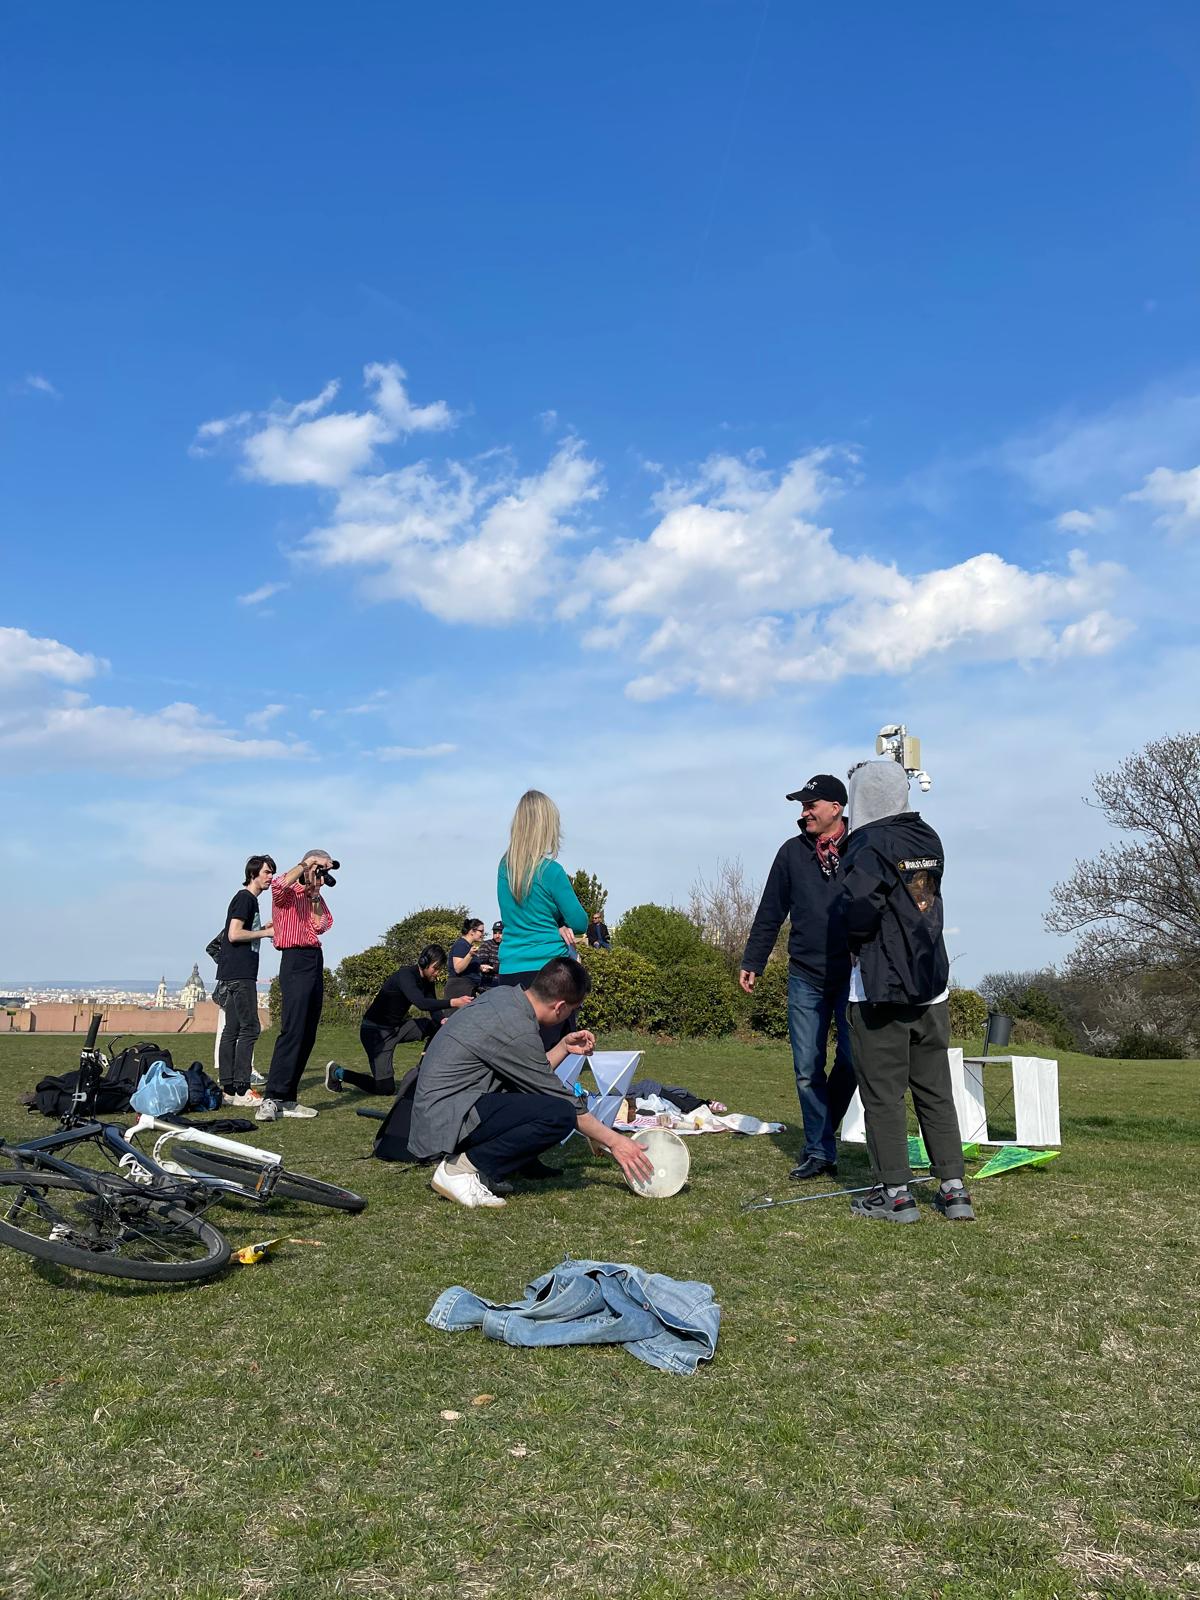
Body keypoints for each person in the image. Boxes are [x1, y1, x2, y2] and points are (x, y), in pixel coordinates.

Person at [838, 760, 974, 1223]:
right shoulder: (928, 838)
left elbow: (858, 905)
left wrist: (851, 941)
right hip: (931, 982)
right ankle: (954, 1189)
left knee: (883, 1093)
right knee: (935, 1090)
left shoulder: (867, 843)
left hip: (880, 987)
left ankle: (894, 1193)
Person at [408, 956, 655, 1208]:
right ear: (560, 1007)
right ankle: (459, 1170)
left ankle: (483, 1172)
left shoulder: (505, 998)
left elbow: (532, 1076)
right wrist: (616, 1141)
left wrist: (562, 1047)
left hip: (444, 1110)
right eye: (573, 1010)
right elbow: (564, 1102)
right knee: (559, 1115)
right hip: (445, 1120)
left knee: (544, 1103)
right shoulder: (516, 1029)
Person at [739, 774, 857, 1182]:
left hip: (853, 976)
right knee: (807, 1068)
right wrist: (754, 959)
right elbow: (771, 910)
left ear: (836, 808)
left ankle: (824, 1131)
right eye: (802, 806)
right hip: (805, 975)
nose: (804, 812)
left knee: (854, 1060)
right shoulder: (791, 853)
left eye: (811, 805)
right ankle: (820, 1151)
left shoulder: (862, 847)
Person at [495, 790, 589, 1049]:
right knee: (554, 1054)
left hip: (510, 970)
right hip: (549, 972)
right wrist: (561, 923)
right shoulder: (551, 871)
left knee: (518, 1052)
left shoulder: (505, 870)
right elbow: (580, 922)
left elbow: (521, 913)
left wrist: (555, 921)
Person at [325, 944, 472, 1096]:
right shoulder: (405, 976)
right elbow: (421, 1003)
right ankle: (338, 1072)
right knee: (385, 1088)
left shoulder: (428, 981)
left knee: (435, 1026)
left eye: (439, 969)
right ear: (423, 962)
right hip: (375, 1033)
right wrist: (453, 1002)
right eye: (435, 968)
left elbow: (432, 1005)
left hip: (397, 1028)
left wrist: (442, 1020)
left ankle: (424, 1074)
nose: (437, 973)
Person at [257, 849, 336, 1122]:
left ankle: (288, 1099)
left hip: (314, 958)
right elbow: (277, 885)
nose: (322, 876)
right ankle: (271, 1097)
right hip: (294, 958)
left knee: (307, 1031)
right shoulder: (287, 894)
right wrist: (306, 866)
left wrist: (314, 894)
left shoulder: (315, 897)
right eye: (320, 869)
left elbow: (321, 925)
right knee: (292, 1029)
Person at [213, 854, 276, 1105]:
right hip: (240, 974)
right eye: (267, 872)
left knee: (233, 1029)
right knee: (250, 1028)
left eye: (271, 872)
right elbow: (234, 934)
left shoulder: (248, 901)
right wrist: (266, 932)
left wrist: (262, 928)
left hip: (232, 973)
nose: (271, 877)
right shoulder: (245, 899)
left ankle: (228, 1088)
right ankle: (241, 1089)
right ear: (253, 874)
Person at [444, 918, 493, 1002]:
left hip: (468, 988)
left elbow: (467, 965)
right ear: (472, 931)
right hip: (459, 989)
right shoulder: (461, 945)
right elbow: (458, 968)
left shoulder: (468, 946)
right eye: (481, 931)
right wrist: (470, 955)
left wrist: (480, 967)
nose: (483, 934)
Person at [475, 921, 504, 987]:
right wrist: (487, 967)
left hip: (503, 981)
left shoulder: (508, 947)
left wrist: (493, 967)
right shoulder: (486, 944)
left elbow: (509, 964)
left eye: (500, 933)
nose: (497, 935)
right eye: (495, 933)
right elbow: (482, 961)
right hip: (488, 981)